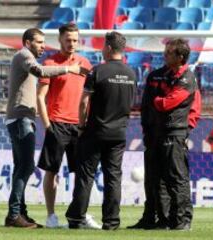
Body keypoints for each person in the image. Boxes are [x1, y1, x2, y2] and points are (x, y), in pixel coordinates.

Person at [5, 28, 83, 228]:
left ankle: (19, 213)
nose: (42, 46)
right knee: (26, 166)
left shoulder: (23, 57)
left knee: (20, 166)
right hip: (21, 118)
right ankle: (14, 215)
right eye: (39, 42)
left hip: (20, 118)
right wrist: (68, 69)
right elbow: (39, 71)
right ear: (28, 42)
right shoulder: (24, 55)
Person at [65, 31, 136, 230]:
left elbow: (83, 102)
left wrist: (81, 126)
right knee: (113, 178)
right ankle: (111, 222)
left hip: (95, 131)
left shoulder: (97, 71)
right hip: (119, 133)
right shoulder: (131, 74)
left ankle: (77, 218)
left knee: (86, 176)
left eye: (104, 45)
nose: (101, 49)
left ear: (109, 48)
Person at [128, 45, 201, 230]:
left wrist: (185, 127)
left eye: (169, 52)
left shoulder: (188, 78)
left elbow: (168, 103)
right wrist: (146, 128)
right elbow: (146, 106)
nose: (164, 54)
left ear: (180, 56)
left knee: (176, 177)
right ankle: (158, 219)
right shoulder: (155, 75)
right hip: (154, 133)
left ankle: (182, 220)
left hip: (174, 132)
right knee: (153, 178)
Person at [36, 23, 92, 228]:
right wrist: (47, 124)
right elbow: (40, 97)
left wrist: (87, 123)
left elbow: (89, 97)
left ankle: (79, 214)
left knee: (82, 173)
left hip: (79, 126)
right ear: (60, 40)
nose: (72, 43)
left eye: (75, 40)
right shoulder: (50, 63)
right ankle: (51, 216)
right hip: (57, 124)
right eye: (68, 39)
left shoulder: (85, 63)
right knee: (51, 171)